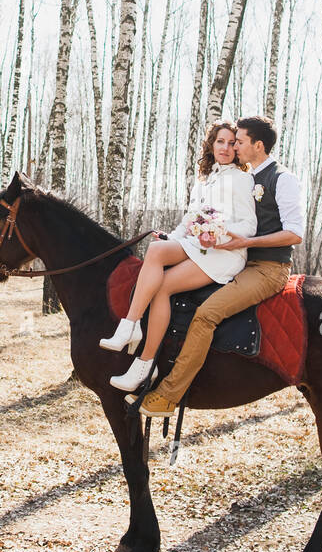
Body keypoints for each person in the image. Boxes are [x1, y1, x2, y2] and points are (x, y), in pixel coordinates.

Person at [132, 115, 304, 417]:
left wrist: (244, 243)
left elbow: (295, 234)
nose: (234, 145)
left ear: (257, 145)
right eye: (229, 141)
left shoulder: (282, 179)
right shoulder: (246, 175)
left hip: (269, 269)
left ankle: (169, 396)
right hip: (240, 262)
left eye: (239, 141)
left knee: (206, 316)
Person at [100, 122, 256, 394]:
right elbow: (190, 218)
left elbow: (249, 226)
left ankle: (130, 326)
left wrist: (219, 235)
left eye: (232, 143)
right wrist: (172, 237)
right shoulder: (206, 179)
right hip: (198, 245)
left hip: (224, 254)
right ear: (212, 144)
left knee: (156, 254)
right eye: (221, 141)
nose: (226, 148)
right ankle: (145, 364)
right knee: (160, 283)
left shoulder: (242, 179)